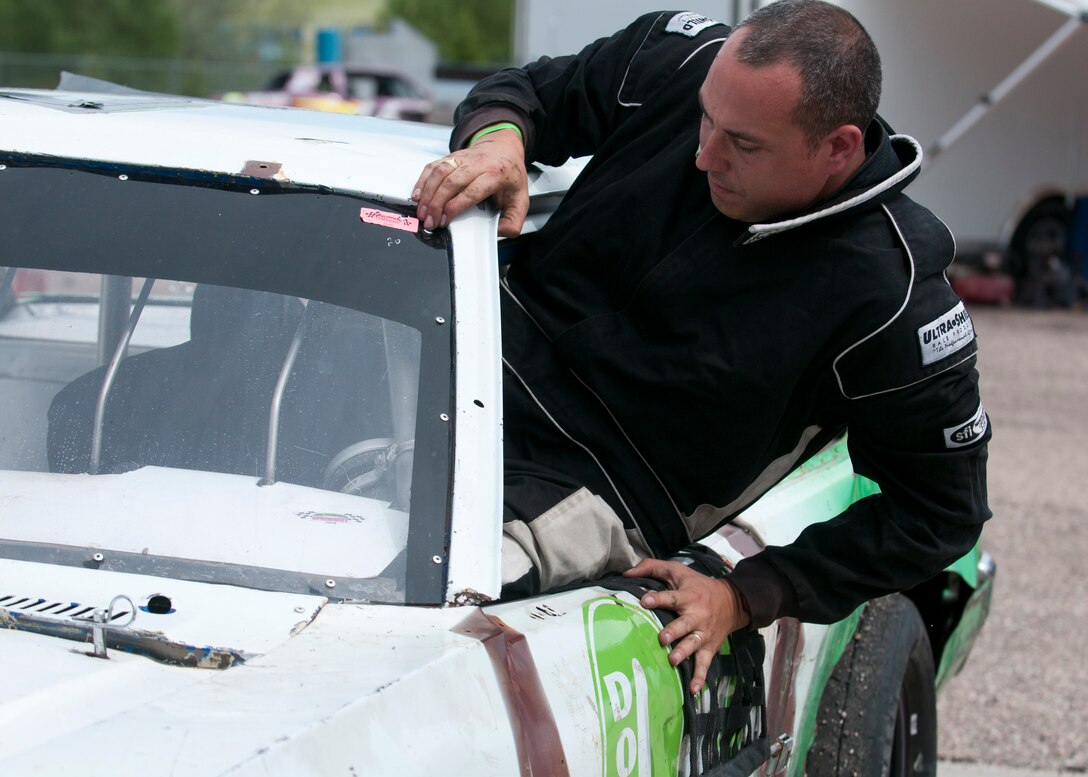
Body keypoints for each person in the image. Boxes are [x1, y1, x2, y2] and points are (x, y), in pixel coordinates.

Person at [412, 0, 991, 695]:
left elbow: (940, 511)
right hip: (459, 361)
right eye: (704, 118)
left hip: (595, 489)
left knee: (417, 598)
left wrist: (750, 593)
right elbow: (528, 92)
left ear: (837, 148)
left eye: (742, 144)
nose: (702, 154)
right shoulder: (680, 58)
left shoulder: (896, 297)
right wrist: (499, 144)